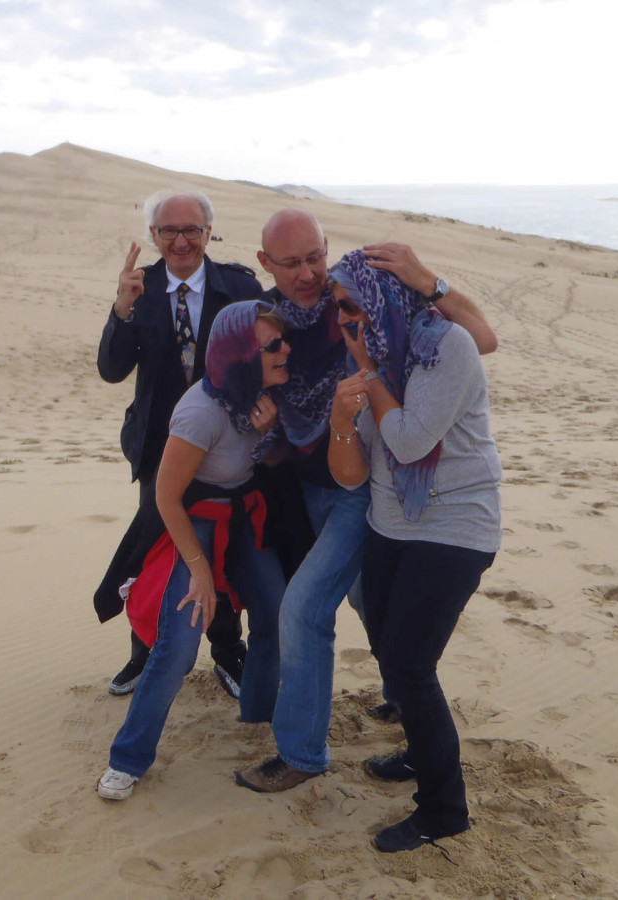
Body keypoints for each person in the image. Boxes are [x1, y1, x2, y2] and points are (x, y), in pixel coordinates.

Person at [236, 210, 497, 793]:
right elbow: (225, 373)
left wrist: (430, 280)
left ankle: (302, 753)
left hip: (364, 490)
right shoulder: (264, 321)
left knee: (305, 610)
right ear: (265, 265)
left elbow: (481, 340)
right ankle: (405, 700)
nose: (308, 274)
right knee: (365, 601)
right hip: (305, 487)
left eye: (315, 258)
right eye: (292, 263)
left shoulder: (354, 304)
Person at [326, 250, 501, 853]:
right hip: (390, 524)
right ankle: (417, 751)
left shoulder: (444, 347)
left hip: (453, 529)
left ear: (384, 299)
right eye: (337, 306)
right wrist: (341, 420)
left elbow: (405, 442)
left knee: (410, 667)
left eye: (352, 304)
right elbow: (355, 471)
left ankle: (444, 810)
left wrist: (369, 375)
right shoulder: (380, 356)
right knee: (385, 645)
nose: (343, 317)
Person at [97, 300, 289, 800]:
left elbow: (276, 463)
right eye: (273, 345)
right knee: (180, 643)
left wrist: (272, 435)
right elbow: (165, 495)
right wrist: (200, 571)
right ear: (242, 353)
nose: (285, 351)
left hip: (244, 514)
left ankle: (258, 717)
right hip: (195, 519)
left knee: (277, 610)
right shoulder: (200, 411)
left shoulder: (268, 393)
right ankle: (128, 758)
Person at [95, 190, 262, 699]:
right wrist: (121, 310)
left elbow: (270, 350)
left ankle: (228, 650)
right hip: (159, 448)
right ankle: (142, 650)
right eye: (169, 230)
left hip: (227, 449)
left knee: (224, 548)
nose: (181, 240)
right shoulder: (139, 288)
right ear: (153, 236)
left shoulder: (238, 285)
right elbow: (111, 370)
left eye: (192, 229)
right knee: (154, 549)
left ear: (210, 232)